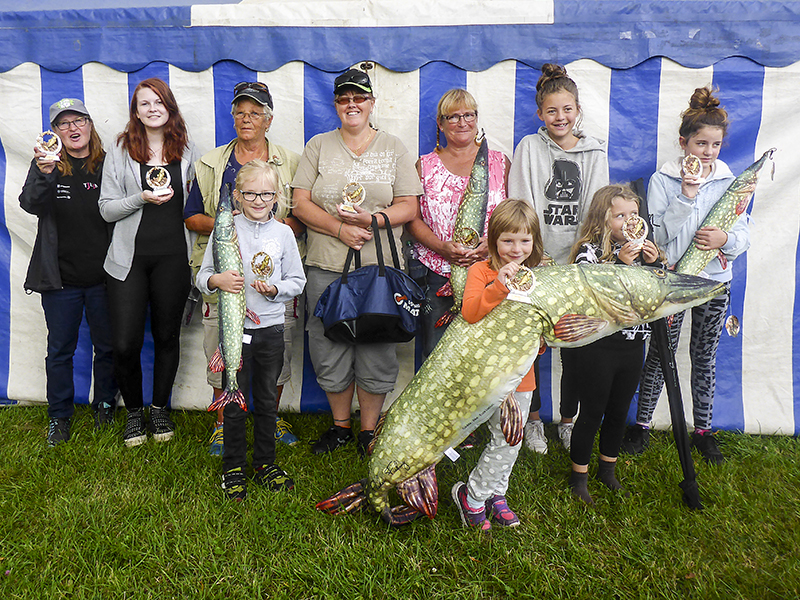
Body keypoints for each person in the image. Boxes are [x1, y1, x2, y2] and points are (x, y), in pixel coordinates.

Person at [292, 68, 423, 457]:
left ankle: (368, 431)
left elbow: (409, 205)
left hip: (380, 269)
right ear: (336, 104)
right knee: (329, 343)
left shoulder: (393, 147)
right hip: (326, 264)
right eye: (344, 98)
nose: (352, 104)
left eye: (359, 98)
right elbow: (300, 202)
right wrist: (339, 229)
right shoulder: (319, 145)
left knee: (377, 344)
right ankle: (340, 427)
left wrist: (372, 220)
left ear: (371, 103)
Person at [623, 87, 748, 465]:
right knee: (660, 354)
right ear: (684, 143)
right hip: (673, 281)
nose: (708, 151)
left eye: (715, 144)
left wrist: (725, 238)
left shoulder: (730, 182)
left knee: (703, 356)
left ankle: (704, 430)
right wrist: (687, 197)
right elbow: (658, 236)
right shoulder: (663, 180)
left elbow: (743, 231)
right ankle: (642, 424)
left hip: (713, 284)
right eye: (700, 143)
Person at [184, 81, 302, 455]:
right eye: (240, 112)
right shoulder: (210, 162)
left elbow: (300, 216)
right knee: (218, 341)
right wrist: (226, 226)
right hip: (225, 273)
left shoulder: (291, 161)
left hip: (270, 278)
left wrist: (270, 227)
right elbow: (190, 216)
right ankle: (223, 420)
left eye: (254, 112)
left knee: (276, 345)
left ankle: (271, 414)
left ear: (268, 119)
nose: (246, 118)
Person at [508, 63, 609, 455]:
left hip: (577, 265)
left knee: (575, 346)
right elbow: (521, 203)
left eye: (567, 109)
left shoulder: (595, 152)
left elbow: (598, 210)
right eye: (552, 111)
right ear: (540, 114)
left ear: (578, 109)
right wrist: (538, 256)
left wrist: (580, 257)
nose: (560, 117)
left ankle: (568, 421)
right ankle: (532, 421)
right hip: (536, 263)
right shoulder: (529, 148)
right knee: (529, 345)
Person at [99, 77, 201, 447]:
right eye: (145, 103)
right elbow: (107, 210)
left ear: (169, 106)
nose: (152, 108)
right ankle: (134, 413)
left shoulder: (187, 151)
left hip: (174, 258)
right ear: (136, 111)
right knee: (125, 343)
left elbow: (195, 206)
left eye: (158, 101)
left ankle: (159, 409)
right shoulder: (122, 150)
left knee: (166, 337)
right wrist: (140, 197)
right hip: (128, 261)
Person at [196, 160, 306, 501]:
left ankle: (265, 462)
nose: (259, 200)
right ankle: (233, 467)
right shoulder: (225, 229)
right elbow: (201, 276)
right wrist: (217, 280)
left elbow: (297, 281)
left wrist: (276, 291)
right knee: (233, 402)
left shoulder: (284, 233)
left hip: (271, 330)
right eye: (250, 194)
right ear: (237, 196)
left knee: (267, 401)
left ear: (277, 197)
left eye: (267, 194)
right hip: (234, 333)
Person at [19, 98, 117, 446]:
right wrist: (45, 173)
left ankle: (105, 405)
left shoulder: (108, 163)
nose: (73, 129)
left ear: (90, 125)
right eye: (64, 123)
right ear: (55, 132)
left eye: (79, 121)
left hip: (105, 278)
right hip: (60, 280)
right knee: (60, 350)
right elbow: (29, 203)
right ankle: (59, 417)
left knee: (107, 347)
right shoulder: (46, 164)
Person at [562, 185, 662, 505]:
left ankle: (607, 470)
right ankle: (579, 477)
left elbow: (652, 295)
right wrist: (619, 263)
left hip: (633, 345)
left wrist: (654, 266)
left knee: (619, 411)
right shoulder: (588, 251)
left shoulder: (643, 252)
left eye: (634, 214)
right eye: (620, 215)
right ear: (603, 219)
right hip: (599, 346)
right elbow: (592, 293)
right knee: (592, 411)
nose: (629, 221)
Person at [452, 199, 545, 531]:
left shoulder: (542, 274)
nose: (516, 248)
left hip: (523, 375)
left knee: (511, 438)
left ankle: (495, 494)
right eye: (507, 240)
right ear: (493, 242)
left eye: (524, 240)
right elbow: (471, 313)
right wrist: (499, 285)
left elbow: (547, 321)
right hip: (487, 373)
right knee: (503, 436)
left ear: (534, 241)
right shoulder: (481, 271)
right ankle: (472, 496)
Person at [407, 88, 510, 362]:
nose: (462, 122)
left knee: (487, 355)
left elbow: (513, 216)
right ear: (440, 124)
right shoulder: (424, 165)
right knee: (439, 357)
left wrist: (490, 244)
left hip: (491, 272)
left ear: (476, 119)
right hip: (437, 273)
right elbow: (411, 219)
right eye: (453, 117)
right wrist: (441, 247)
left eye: (469, 115)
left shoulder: (500, 163)